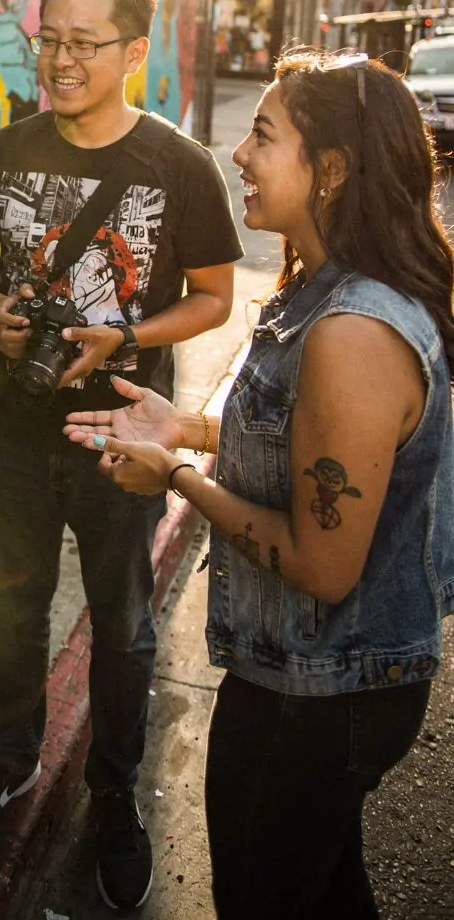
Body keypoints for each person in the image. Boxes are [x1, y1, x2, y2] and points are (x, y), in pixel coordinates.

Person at [65, 48, 454, 919]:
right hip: (322, 684)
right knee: (324, 889)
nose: (237, 154)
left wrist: (176, 476)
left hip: (318, 698)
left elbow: (320, 564)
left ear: (332, 171)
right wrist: (186, 426)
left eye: (264, 135)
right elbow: (308, 443)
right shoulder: (333, 289)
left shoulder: (355, 330)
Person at [0, 0, 242, 912]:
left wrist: (128, 335)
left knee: (124, 627)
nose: (61, 60)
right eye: (50, 39)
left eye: (84, 43)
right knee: (11, 607)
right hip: (14, 434)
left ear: (134, 51)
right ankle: (12, 760)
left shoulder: (179, 166)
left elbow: (214, 298)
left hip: (121, 440)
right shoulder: (0, 152)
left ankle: (114, 794)